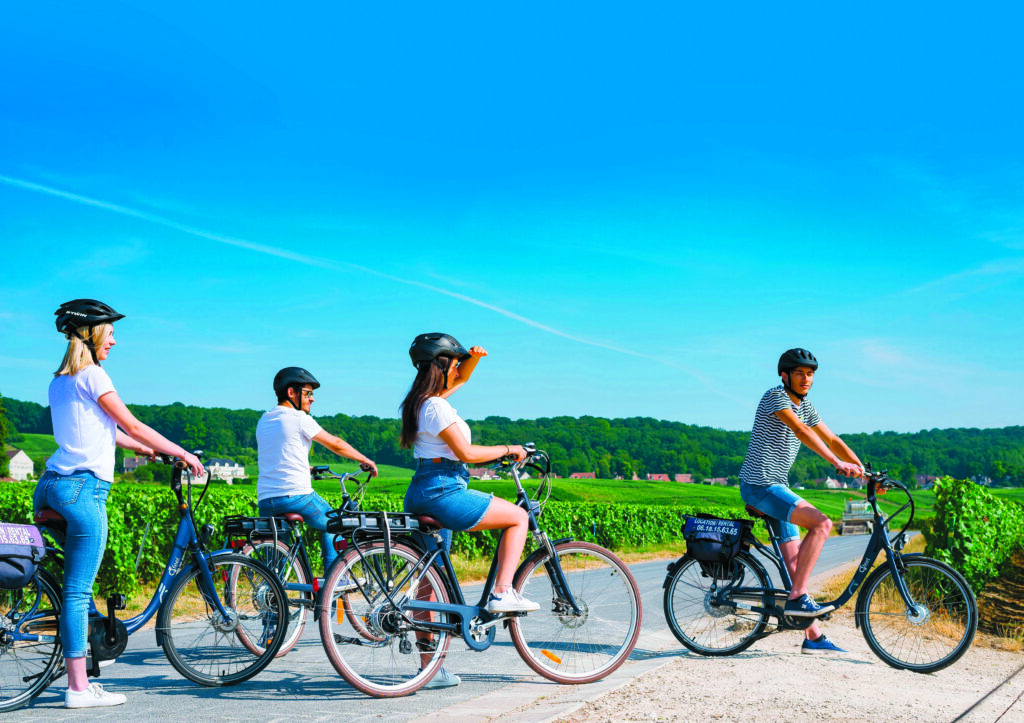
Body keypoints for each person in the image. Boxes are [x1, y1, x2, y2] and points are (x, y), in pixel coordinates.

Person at [38, 300, 205, 708]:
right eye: (109, 331)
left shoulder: (60, 381)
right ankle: (78, 688)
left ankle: (88, 653)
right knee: (77, 591)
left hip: (51, 485)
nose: (114, 339)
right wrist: (182, 453)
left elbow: (104, 431)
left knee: (74, 586)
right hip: (83, 490)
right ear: (92, 333)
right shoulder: (94, 375)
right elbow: (130, 422)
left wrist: (145, 451)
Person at [398, 333, 539, 689]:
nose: (459, 368)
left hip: (421, 489)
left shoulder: (421, 402)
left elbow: (461, 378)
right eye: (455, 361)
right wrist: (510, 448)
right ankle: (502, 591)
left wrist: (473, 359)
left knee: (432, 585)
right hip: (443, 489)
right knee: (518, 517)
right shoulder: (436, 406)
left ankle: (429, 670)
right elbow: (466, 453)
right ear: (441, 364)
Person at [738, 347, 864, 654]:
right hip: (759, 486)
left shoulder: (806, 406)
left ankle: (813, 637)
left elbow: (833, 438)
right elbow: (800, 429)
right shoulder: (775, 397)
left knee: (797, 565)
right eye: (800, 373)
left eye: (810, 374)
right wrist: (836, 462)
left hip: (776, 486)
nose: (806, 379)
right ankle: (796, 599)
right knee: (822, 524)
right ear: (785, 376)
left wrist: (864, 472)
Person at [255, 367, 377, 575]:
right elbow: (335, 444)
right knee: (335, 524)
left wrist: (307, 468)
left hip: (267, 499)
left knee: (276, 556)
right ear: (291, 392)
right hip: (295, 496)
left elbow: (279, 455)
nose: (312, 399)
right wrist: (364, 459)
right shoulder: (298, 418)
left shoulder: (264, 420)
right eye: (308, 393)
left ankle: (272, 595)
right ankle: (335, 580)